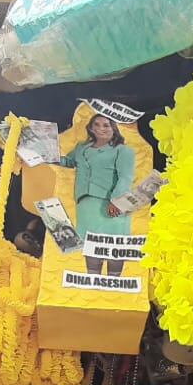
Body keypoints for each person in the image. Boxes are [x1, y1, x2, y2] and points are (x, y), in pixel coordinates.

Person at [63, 113, 135, 276]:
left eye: (106, 125)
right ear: (90, 128)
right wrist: (43, 156)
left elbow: (125, 177)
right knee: (91, 242)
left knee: (112, 243)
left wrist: (116, 201)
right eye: (97, 124)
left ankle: (114, 279)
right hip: (86, 204)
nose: (101, 128)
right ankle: (93, 277)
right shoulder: (82, 148)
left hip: (110, 203)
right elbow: (68, 161)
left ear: (114, 129)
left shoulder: (122, 151)